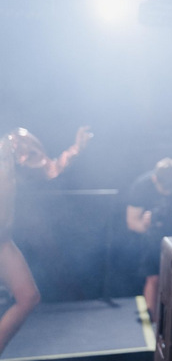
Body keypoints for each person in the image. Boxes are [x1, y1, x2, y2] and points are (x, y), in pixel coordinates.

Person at [1, 126, 90, 355]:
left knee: (28, 297)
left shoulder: (16, 148)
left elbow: (51, 168)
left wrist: (76, 149)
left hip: (3, 240)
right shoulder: (9, 145)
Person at [125, 158, 172, 322]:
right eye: (164, 188)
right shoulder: (141, 186)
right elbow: (132, 222)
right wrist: (145, 224)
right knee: (153, 277)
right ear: (154, 179)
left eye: (171, 188)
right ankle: (153, 317)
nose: (167, 192)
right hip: (151, 237)